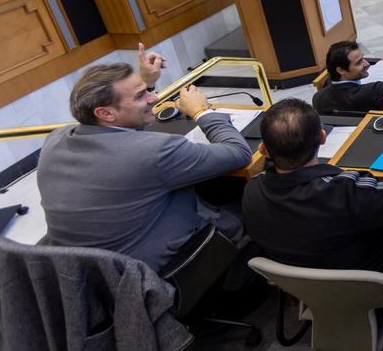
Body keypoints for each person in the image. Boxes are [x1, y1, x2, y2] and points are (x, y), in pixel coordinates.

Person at [37, 45, 252, 270]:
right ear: (105, 113)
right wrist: (202, 111)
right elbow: (238, 152)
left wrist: (145, 83)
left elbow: (121, 141)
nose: (155, 97)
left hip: (84, 272)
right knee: (253, 199)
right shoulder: (157, 151)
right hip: (145, 273)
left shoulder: (55, 140)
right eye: (142, 95)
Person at [242, 96, 383, 295]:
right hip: (381, 289)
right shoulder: (348, 191)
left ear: (264, 150)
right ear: (322, 137)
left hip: (311, 292)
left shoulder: (251, 191)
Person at [312, 7, 383, 115]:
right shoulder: (372, 93)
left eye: (363, 58)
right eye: (359, 62)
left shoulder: (318, 99)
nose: (366, 64)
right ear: (341, 70)